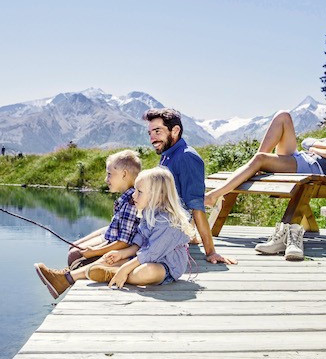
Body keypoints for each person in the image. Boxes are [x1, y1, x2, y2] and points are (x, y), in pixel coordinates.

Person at [34, 166, 196, 296]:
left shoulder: (169, 223)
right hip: (143, 257)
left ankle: (111, 274)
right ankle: (65, 279)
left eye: (139, 192)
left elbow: (151, 253)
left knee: (147, 271)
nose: (133, 195)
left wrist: (125, 267)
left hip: (166, 266)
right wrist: (122, 254)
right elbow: (140, 242)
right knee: (109, 259)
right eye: (135, 190)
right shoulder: (149, 213)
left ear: (158, 197)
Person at [204, 103, 326, 208]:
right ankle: (255, 168)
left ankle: (214, 196)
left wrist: (321, 151)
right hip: (303, 159)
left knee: (260, 159)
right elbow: (306, 141)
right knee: (283, 116)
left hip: (312, 168)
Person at [142, 108, 237, 265]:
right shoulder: (167, 155)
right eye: (150, 133)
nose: (152, 138)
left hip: (168, 229)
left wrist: (211, 252)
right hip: (158, 221)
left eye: (157, 131)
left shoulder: (187, 157)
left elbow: (196, 206)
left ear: (175, 130)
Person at [65, 150, 142, 269]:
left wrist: (95, 252)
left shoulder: (130, 202)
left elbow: (123, 243)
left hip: (119, 252)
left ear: (124, 174)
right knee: (74, 249)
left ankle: (65, 279)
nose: (106, 179)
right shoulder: (126, 198)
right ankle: (65, 277)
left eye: (110, 174)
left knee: (74, 256)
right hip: (111, 241)